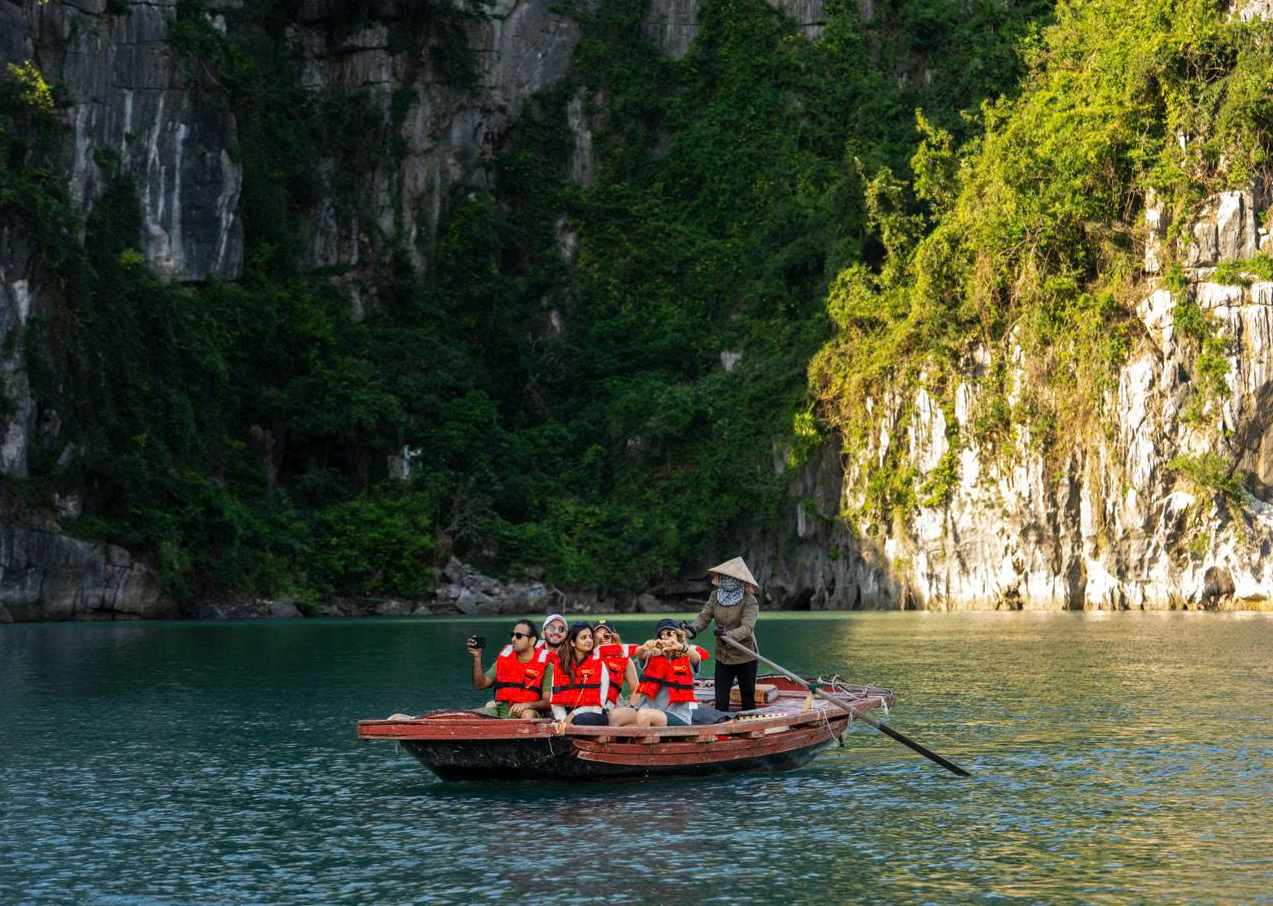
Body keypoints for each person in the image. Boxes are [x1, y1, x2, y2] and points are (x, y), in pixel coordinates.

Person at [685, 557, 760, 713]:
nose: (727, 581)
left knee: (747, 699)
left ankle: (750, 725)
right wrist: (691, 630)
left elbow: (747, 628)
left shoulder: (749, 600)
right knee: (721, 700)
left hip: (745, 654)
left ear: (740, 580)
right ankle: (720, 724)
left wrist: (728, 635)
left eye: (731, 578)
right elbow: (704, 617)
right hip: (723, 656)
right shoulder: (715, 596)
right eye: (725, 577)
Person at [632, 619, 710, 730]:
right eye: (661, 635)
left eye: (669, 633)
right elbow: (639, 654)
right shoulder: (652, 654)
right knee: (616, 715)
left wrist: (680, 647)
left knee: (644, 715)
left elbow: (696, 657)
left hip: (678, 716)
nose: (665, 637)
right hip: (648, 710)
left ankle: (647, 745)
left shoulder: (688, 653)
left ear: (678, 635)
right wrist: (644, 647)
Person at [467, 620, 552, 720]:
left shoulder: (546, 665)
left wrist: (527, 705)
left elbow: (548, 702)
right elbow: (480, 684)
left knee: (528, 714)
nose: (513, 639)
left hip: (528, 713)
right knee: (470, 716)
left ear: (532, 641)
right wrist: (477, 657)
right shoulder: (504, 659)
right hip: (500, 711)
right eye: (513, 635)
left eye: (519, 636)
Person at [549, 622, 609, 728]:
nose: (589, 640)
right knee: (553, 721)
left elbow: (600, 701)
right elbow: (555, 701)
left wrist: (573, 714)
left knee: (577, 720)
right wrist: (563, 720)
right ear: (572, 642)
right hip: (566, 715)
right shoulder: (560, 665)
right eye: (583, 637)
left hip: (594, 714)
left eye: (590, 637)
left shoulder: (599, 664)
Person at [592, 620, 645, 728]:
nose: (602, 639)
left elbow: (636, 688)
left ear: (613, 638)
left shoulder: (624, 659)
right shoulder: (588, 657)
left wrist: (630, 707)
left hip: (613, 705)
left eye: (606, 636)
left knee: (623, 721)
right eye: (598, 637)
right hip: (591, 705)